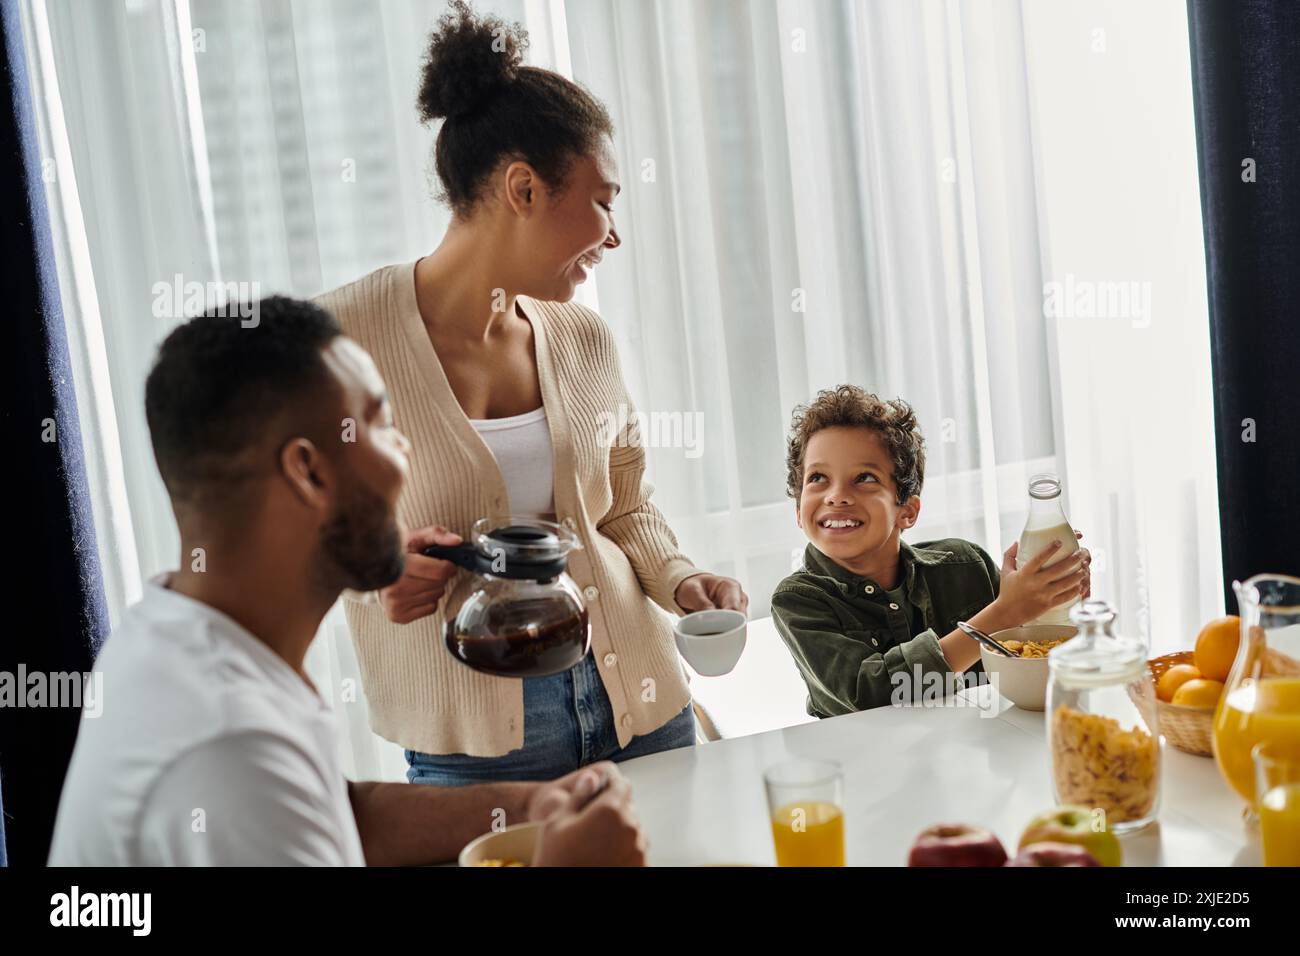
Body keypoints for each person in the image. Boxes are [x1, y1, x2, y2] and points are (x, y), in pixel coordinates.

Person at [315, 2, 747, 787]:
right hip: (476, 742)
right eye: (604, 198)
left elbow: (624, 507)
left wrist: (681, 579)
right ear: (523, 188)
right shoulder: (342, 341)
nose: (613, 233)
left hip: (641, 704)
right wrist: (373, 571)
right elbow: (286, 531)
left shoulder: (583, 338)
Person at [49, 298, 645, 865]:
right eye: (381, 423)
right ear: (307, 471)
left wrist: (530, 807)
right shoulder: (227, 749)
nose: (406, 449)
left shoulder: (179, 637)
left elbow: (340, 812)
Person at [771, 385, 1092, 718]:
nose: (836, 496)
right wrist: (1005, 612)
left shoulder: (966, 566)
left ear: (907, 511)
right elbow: (872, 696)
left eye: (864, 478)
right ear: (798, 510)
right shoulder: (799, 600)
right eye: (818, 477)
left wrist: (1058, 600)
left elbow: (1037, 659)